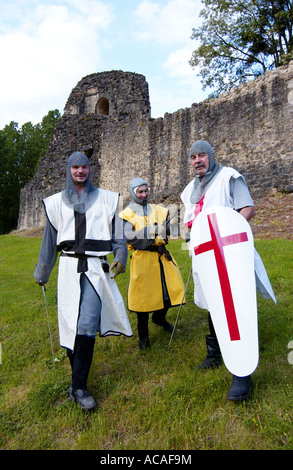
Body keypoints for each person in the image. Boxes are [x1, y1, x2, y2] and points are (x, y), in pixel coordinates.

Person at [34, 151, 132, 410]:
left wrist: (120, 256)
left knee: (87, 324)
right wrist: (42, 272)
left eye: (84, 167)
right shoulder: (56, 203)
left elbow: (119, 236)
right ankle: (76, 380)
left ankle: (79, 387)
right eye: (75, 167)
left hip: (95, 269)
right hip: (67, 268)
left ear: (90, 170)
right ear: (69, 170)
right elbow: (48, 242)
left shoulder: (108, 200)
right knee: (69, 325)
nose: (80, 171)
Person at [181, 140, 276, 401]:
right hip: (205, 255)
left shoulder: (228, 177)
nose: (197, 160)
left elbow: (248, 209)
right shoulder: (189, 190)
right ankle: (215, 354)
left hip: (230, 253)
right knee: (214, 302)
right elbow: (191, 224)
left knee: (234, 306)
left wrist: (227, 231)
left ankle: (241, 372)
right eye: (192, 157)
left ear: (211, 157)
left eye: (201, 155)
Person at [119, 177, 186, 350]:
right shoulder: (127, 215)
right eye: (140, 192)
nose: (144, 195)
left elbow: (172, 231)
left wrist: (175, 224)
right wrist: (149, 231)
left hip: (162, 258)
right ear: (133, 193)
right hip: (143, 260)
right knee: (143, 301)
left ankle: (159, 318)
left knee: (171, 292)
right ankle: (143, 338)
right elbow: (129, 237)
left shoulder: (159, 210)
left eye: (145, 191)